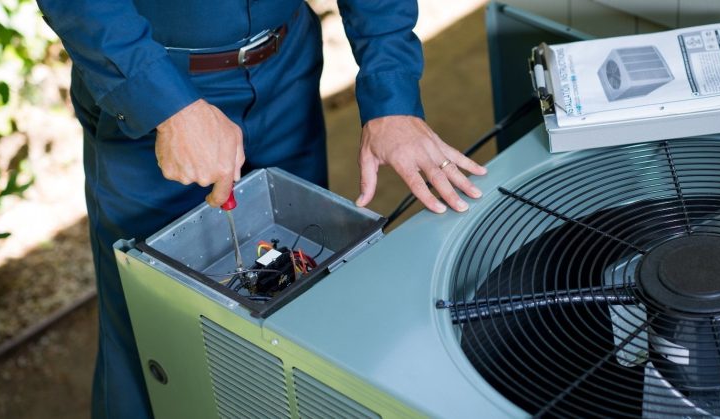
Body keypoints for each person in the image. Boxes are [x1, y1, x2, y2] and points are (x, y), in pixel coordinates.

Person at [36, 0, 486, 417]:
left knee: (299, 286)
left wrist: (392, 96)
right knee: (151, 320)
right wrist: (168, 106)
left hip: (286, 66)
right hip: (154, 88)